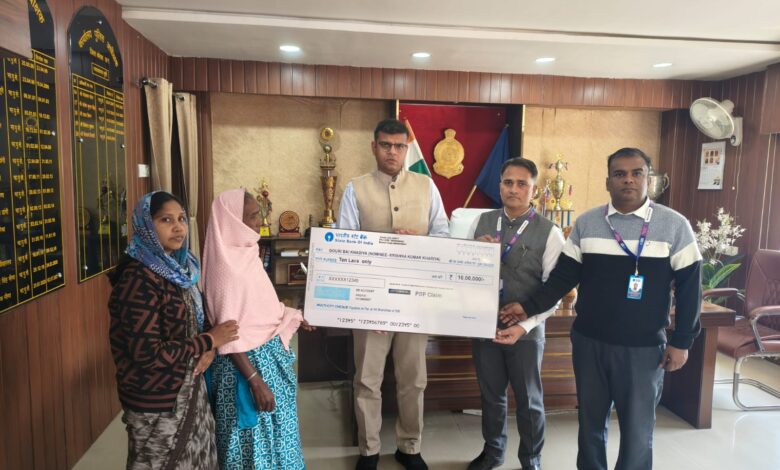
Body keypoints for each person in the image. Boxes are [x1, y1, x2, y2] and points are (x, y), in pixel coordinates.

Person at [502, 148, 702, 470]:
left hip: (643, 349)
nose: (628, 180)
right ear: (608, 181)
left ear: (648, 179)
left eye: (637, 173)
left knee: (637, 432)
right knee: (590, 426)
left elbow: (692, 288)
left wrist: (682, 341)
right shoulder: (587, 223)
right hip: (589, 344)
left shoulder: (674, 226)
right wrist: (527, 308)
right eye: (619, 174)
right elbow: (561, 279)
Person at [338, 118, 449, 470]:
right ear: (374, 147)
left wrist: (420, 243)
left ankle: (409, 447)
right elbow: (345, 246)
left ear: (406, 149)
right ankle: (369, 450)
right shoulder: (355, 189)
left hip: (414, 302)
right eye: (386, 145)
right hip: (370, 302)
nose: (393, 152)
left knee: (413, 379)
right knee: (367, 379)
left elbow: (444, 237)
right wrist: (364, 305)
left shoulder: (427, 186)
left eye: (399, 146)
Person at [108, 191, 239, 470]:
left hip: (188, 388)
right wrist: (208, 340)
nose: (178, 227)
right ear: (146, 225)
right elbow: (148, 354)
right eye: (166, 220)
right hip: (157, 400)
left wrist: (210, 347)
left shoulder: (181, 269)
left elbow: (196, 317)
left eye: (180, 219)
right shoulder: (138, 278)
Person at [466, 158, 564, 470]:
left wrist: (526, 324)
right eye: (508, 182)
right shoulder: (481, 222)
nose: (514, 189)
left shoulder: (550, 232)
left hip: (526, 331)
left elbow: (554, 291)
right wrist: (474, 253)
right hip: (485, 326)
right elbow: (460, 271)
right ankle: (493, 453)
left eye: (522, 184)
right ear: (500, 186)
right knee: (491, 396)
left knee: (529, 400)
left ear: (533, 189)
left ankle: (531, 458)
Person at [203, 189, 306, 470]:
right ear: (232, 221)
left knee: (279, 438)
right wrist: (255, 380)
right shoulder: (225, 268)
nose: (257, 222)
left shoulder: (247, 254)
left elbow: (260, 308)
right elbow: (229, 333)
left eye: (257, 215)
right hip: (244, 369)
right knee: (250, 443)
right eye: (250, 216)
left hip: (268, 361)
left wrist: (291, 316)